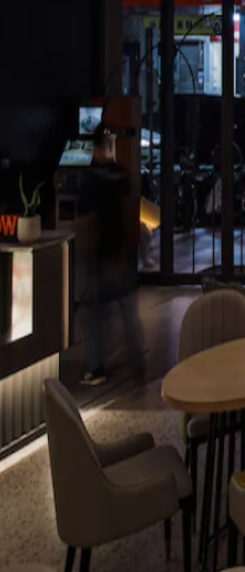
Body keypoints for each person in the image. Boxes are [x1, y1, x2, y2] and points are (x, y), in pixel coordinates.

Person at [79, 133, 146, 387]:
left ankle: (96, 368)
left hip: (103, 258)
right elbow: (131, 214)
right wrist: (129, 249)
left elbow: (89, 223)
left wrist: (89, 258)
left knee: (93, 316)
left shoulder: (90, 179)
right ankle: (138, 365)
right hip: (123, 256)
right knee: (129, 314)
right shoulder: (120, 174)